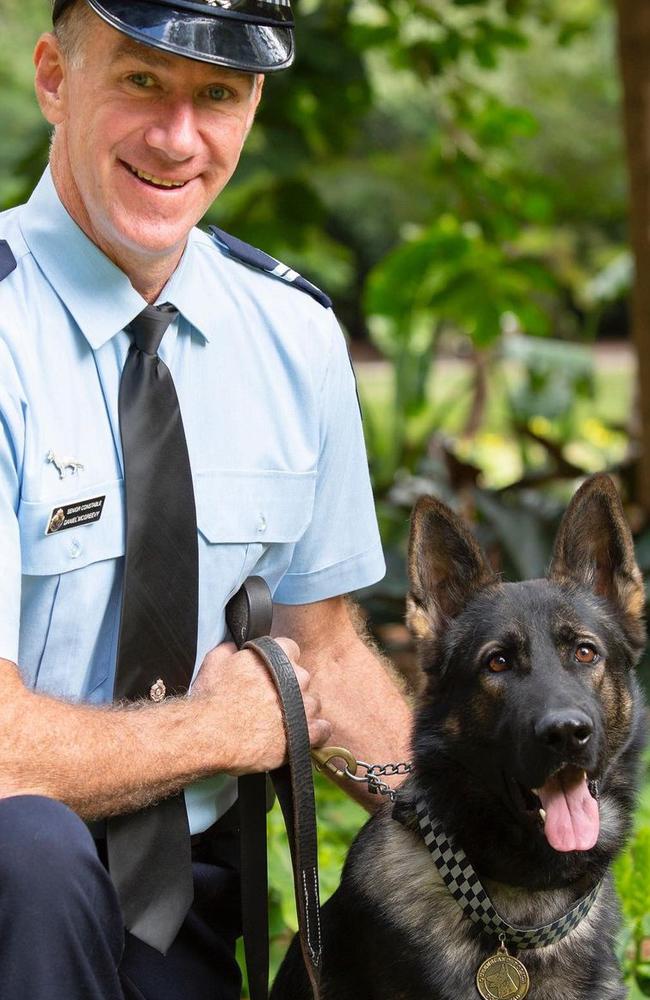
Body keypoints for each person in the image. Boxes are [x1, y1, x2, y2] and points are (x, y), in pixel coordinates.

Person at [0, 1, 412, 998]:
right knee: (33, 850)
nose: (178, 138)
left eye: (217, 95)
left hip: (178, 895)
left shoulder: (294, 335)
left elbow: (324, 646)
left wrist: (451, 825)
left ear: (252, 105)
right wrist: (219, 732)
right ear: (55, 78)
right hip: (14, 878)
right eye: (142, 81)